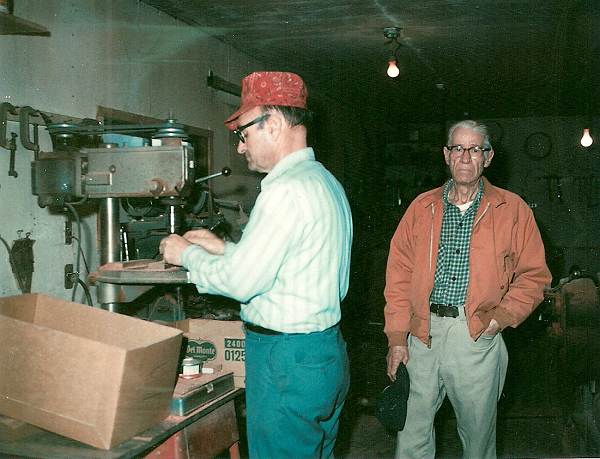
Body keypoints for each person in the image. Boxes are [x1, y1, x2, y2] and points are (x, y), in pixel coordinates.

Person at [160, 71, 352, 459]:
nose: (242, 147)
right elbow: (282, 269)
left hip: (285, 360)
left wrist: (186, 255)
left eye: (244, 134)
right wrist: (222, 247)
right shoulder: (323, 181)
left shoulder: (283, 190)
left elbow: (244, 282)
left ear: (276, 123)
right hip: (324, 353)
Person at [383, 120, 551, 458]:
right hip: (422, 334)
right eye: (458, 148)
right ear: (446, 155)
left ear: (487, 158)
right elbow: (398, 276)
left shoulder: (512, 210)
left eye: (475, 149)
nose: (465, 156)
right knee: (411, 435)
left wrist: (500, 318)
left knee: (477, 437)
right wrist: (397, 339)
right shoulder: (421, 208)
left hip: (475, 335)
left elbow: (534, 276)